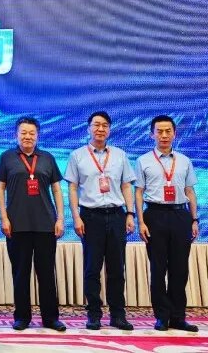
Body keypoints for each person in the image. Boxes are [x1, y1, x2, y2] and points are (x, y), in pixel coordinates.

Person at [64, 111, 135, 330]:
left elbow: (126, 185)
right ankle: (94, 314)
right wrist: (76, 217)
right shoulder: (77, 155)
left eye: (105, 125)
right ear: (89, 128)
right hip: (90, 216)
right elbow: (72, 187)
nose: (100, 129)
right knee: (92, 268)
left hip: (116, 215)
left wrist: (130, 213)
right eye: (96, 125)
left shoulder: (120, 155)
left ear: (109, 130)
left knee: (117, 269)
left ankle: (118, 315)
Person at [0, 116, 66, 332]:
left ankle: (50, 318)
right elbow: (0, 188)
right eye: (23, 133)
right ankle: (22, 317)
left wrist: (60, 218)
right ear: (16, 135)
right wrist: (3, 217)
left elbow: (56, 190)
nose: (27, 136)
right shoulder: (7, 157)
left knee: (46, 273)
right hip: (17, 225)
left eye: (32, 133)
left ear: (37, 136)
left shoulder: (47, 158)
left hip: (45, 224)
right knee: (20, 273)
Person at [135, 115, 200, 332]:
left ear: (174, 133)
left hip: (180, 215)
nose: (164, 135)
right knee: (158, 268)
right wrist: (141, 221)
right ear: (151, 134)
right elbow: (138, 192)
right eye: (159, 131)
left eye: (168, 131)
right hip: (154, 215)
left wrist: (194, 219)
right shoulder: (143, 160)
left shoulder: (184, 160)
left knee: (179, 269)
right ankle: (162, 317)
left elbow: (190, 191)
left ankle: (178, 317)